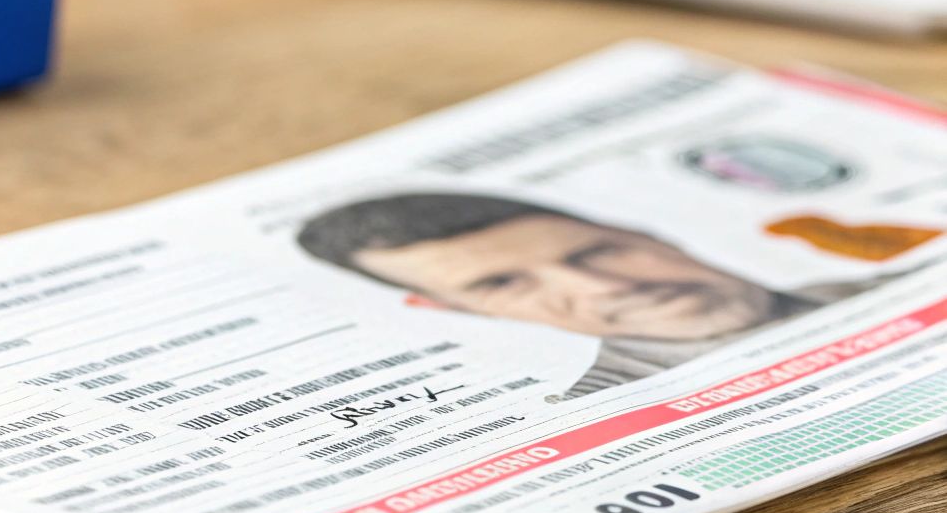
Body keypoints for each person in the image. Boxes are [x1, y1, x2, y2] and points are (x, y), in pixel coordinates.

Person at [296, 192, 884, 398]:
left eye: (600, 253)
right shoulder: (604, 406)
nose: (609, 287)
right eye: (503, 283)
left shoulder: (891, 289)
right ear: (454, 312)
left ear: (648, 233)